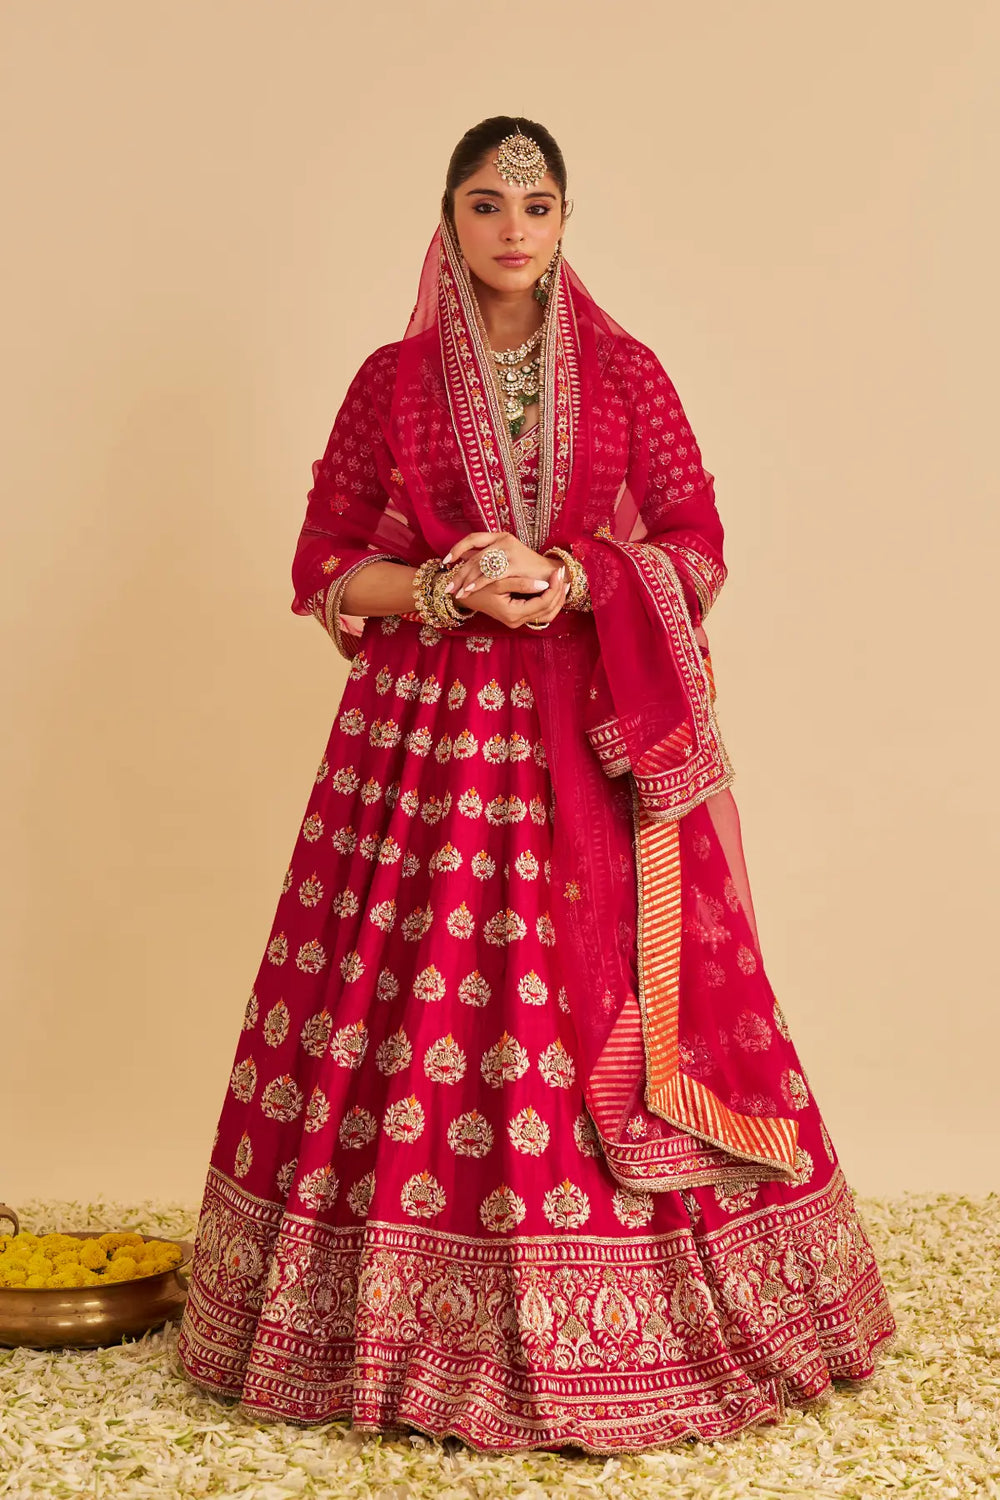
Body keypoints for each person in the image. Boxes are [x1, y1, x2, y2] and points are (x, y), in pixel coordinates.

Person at [176, 115, 897, 1455]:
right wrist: (443, 586)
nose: (516, 225)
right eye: (489, 200)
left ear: (567, 221)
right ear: (447, 219)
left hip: (587, 728)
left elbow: (695, 542)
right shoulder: (389, 383)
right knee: (407, 993)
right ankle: (384, 1328)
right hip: (420, 741)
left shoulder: (629, 376)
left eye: (542, 203)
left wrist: (575, 578)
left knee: (594, 991)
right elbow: (325, 561)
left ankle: (656, 1313)